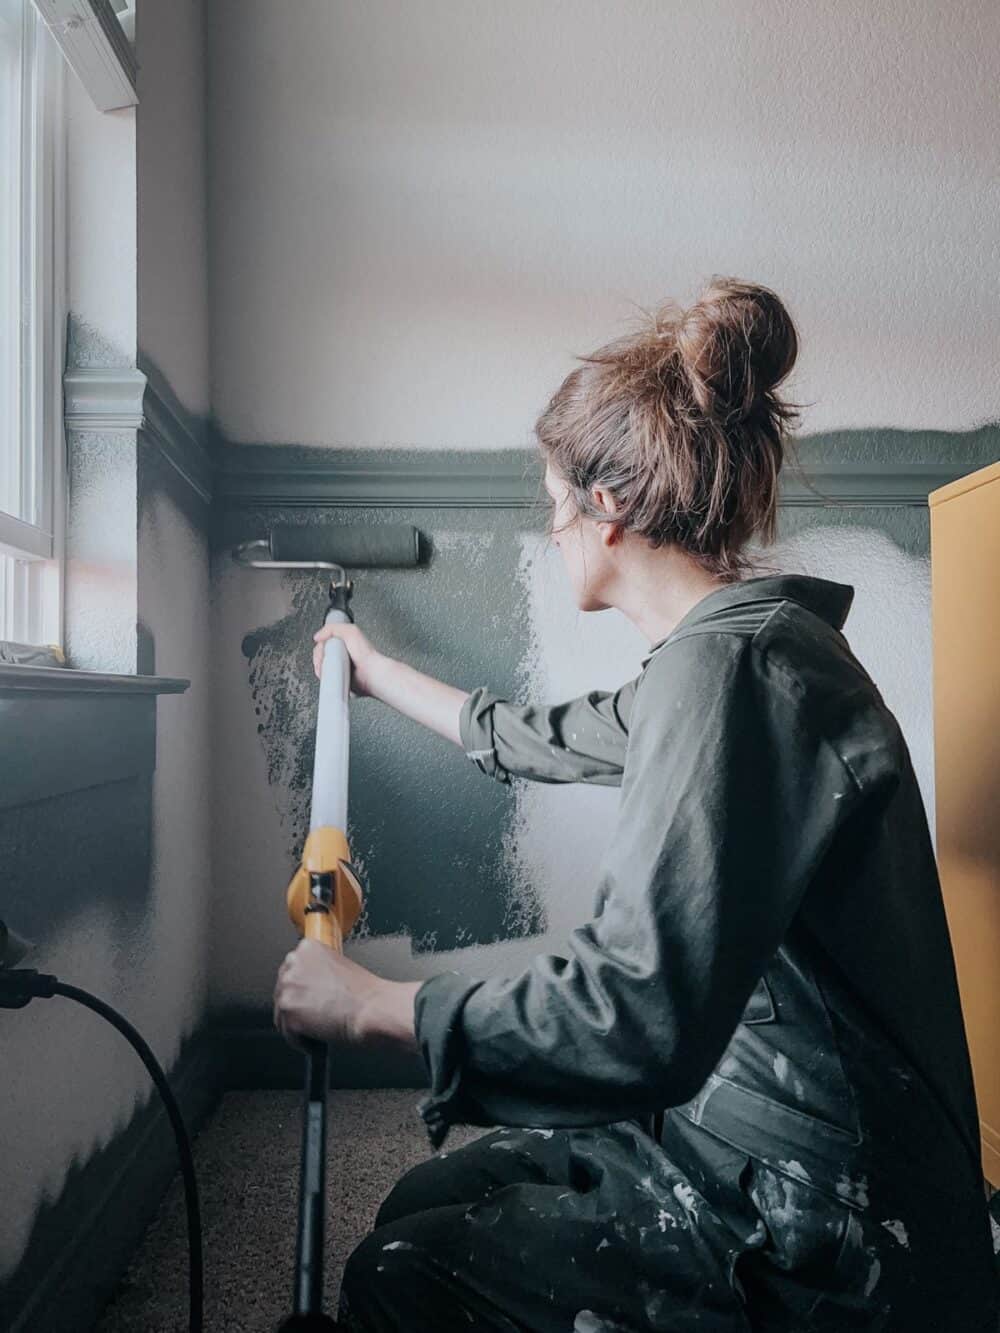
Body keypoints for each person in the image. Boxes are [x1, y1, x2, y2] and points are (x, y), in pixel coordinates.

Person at [273, 278, 998, 1332]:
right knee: (426, 1195)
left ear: (604, 506)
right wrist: (374, 671)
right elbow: (539, 737)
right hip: (731, 1123)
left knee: (396, 1273)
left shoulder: (735, 676)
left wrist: (374, 1003)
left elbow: (640, 1010)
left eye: (552, 498)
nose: (552, 527)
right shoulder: (731, 654)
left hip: (826, 1217)